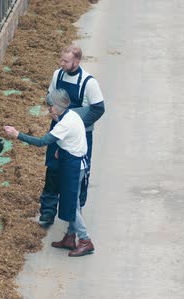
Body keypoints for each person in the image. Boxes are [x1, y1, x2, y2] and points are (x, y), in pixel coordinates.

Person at [4, 89, 94, 257]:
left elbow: (41, 142)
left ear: (59, 106)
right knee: (71, 203)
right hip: (74, 160)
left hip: (73, 166)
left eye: (50, 106)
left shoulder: (64, 124)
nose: (49, 110)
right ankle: (70, 237)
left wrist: (17, 135)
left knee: (71, 206)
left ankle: (85, 240)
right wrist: (62, 149)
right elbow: (75, 140)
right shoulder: (72, 115)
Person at [39, 44, 105, 227]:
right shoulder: (57, 75)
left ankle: (76, 212)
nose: (62, 63)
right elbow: (49, 95)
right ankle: (48, 210)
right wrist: (50, 108)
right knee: (53, 169)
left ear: (77, 61)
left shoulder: (88, 82)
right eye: (61, 59)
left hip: (80, 136)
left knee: (78, 173)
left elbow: (99, 108)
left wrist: (75, 125)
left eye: (66, 61)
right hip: (58, 131)